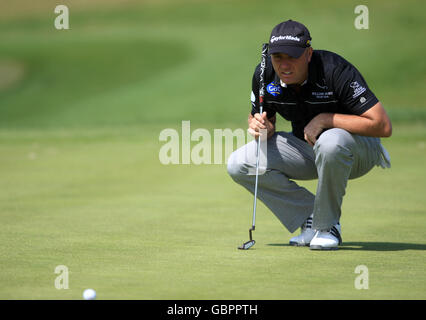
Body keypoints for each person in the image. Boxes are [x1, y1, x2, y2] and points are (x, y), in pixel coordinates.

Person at [227, 20, 392, 250]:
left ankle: (327, 226)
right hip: (308, 148)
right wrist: (260, 128)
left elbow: (382, 125)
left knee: (331, 140)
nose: (284, 65)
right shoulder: (265, 75)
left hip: (357, 150)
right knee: (239, 163)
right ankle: (311, 218)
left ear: (308, 54)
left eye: (292, 57)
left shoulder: (334, 69)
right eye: (278, 57)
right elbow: (263, 122)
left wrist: (325, 119)